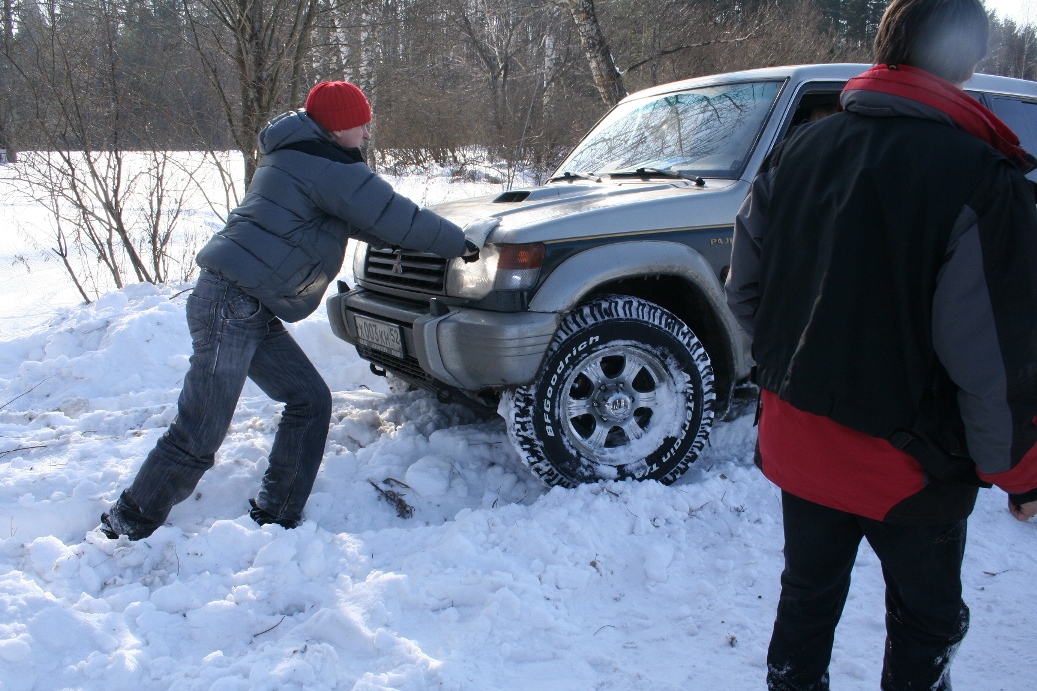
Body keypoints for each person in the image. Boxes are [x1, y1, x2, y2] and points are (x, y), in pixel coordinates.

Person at [725, 0, 1037, 688]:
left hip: (801, 442)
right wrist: (1021, 473)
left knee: (805, 601)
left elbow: (746, 295)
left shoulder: (798, 151)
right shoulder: (983, 179)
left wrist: (806, 368)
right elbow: (990, 362)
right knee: (926, 624)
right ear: (968, 61)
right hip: (910, 467)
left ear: (884, 44)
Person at [100, 80, 479, 540]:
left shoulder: (297, 155)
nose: (366, 132)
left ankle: (278, 512)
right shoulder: (326, 167)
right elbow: (395, 215)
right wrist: (461, 243)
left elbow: (369, 222)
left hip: (242, 303)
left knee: (309, 401)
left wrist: (426, 241)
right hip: (231, 304)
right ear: (337, 126)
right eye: (360, 124)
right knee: (200, 429)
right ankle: (129, 522)